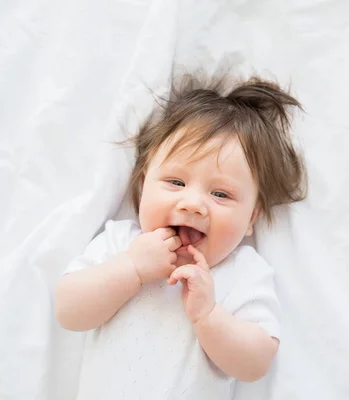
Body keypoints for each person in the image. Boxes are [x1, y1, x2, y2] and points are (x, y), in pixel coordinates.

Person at [55, 72, 307, 399]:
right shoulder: (121, 242)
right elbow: (68, 311)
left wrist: (208, 316)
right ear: (143, 185)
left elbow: (255, 364)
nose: (193, 204)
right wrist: (131, 268)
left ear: (251, 219)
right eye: (175, 182)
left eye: (221, 194)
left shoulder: (244, 271)